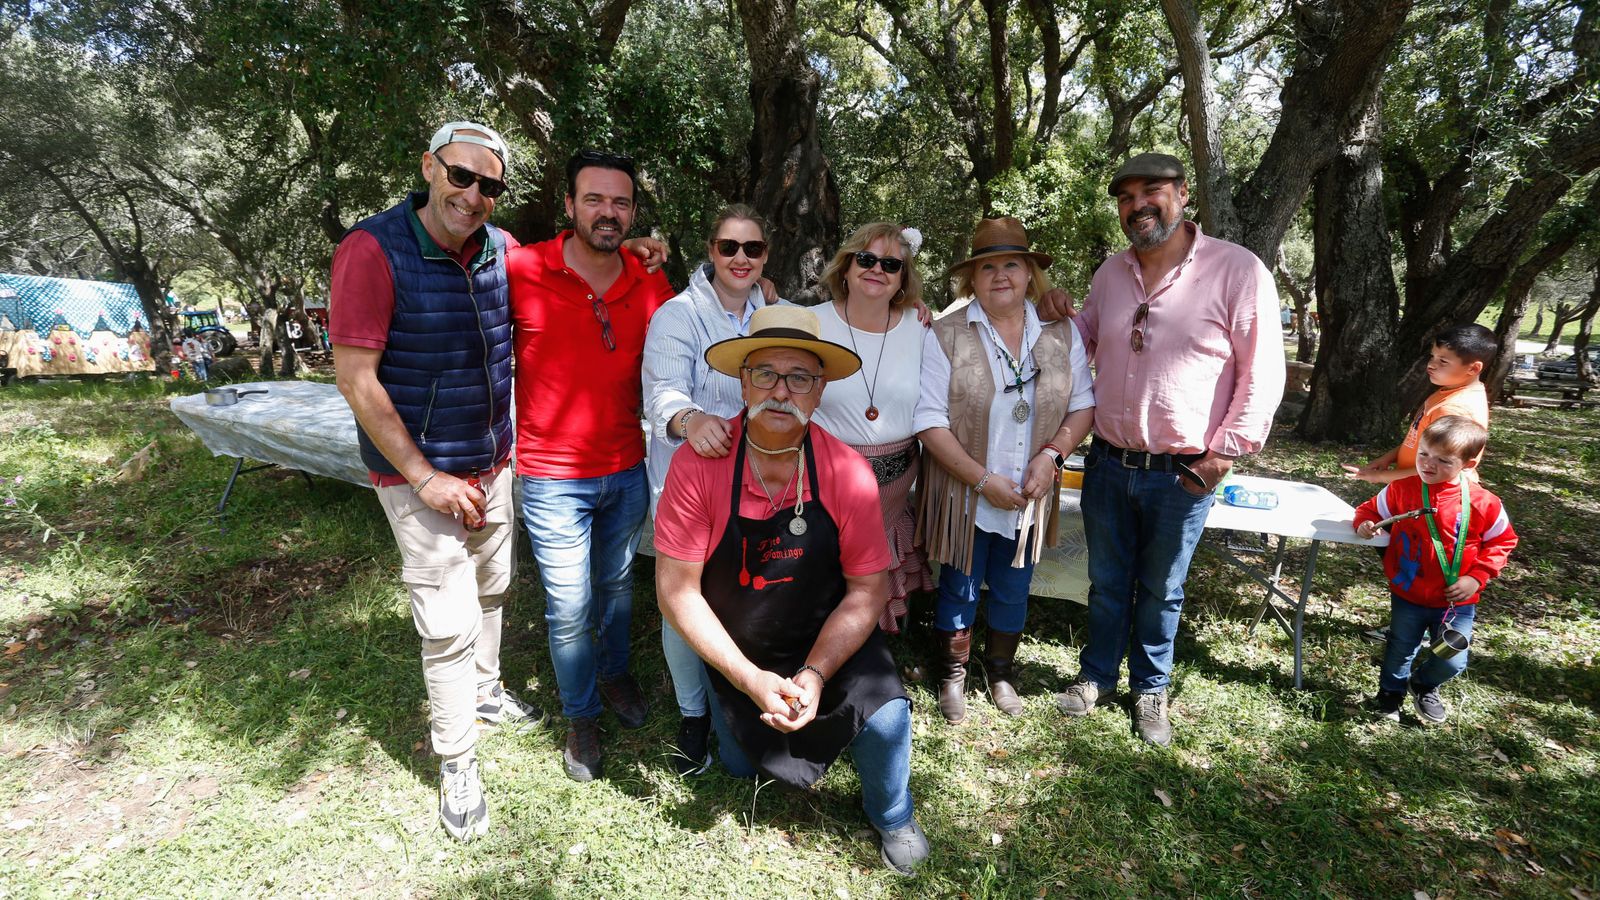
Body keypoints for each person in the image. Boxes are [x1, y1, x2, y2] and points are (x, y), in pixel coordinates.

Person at [653, 305, 931, 876]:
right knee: (737, 764)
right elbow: (676, 592)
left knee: (888, 718)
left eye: (799, 377)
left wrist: (816, 672)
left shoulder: (847, 471)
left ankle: (893, 812)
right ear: (742, 379)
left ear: (819, 390)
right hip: (743, 650)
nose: (781, 391)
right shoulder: (698, 465)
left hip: (826, 639)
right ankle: (737, 723)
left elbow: (867, 593)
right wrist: (750, 679)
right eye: (766, 374)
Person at [331, 120, 542, 843]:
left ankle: (485, 693)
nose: (474, 195)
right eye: (461, 176)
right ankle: (456, 761)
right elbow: (356, 381)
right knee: (447, 623)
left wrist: (637, 252)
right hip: (417, 477)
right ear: (429, 167)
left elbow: (564, 277)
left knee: (493, 588)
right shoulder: (372, 250)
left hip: (492, 461)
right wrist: (423, 479)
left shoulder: (502, 249)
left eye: (490, 185)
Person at [1054, 152, 1285, 746]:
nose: (1138, 206)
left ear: (1182, 195)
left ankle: (1149, 688)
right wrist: (1050, 314)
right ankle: (1097, 676)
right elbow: (1084, 342)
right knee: (1106, 581)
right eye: (1126, 198)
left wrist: (1219, 458)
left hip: (1182, 470)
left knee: (1162, 589)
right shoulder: (1109, 273)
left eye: (1151, 191)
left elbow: (1262, 373)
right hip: (1107, 460)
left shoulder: (1237, 270)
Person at [506, 148, 676, 783]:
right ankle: (580, 716)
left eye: (621, 202)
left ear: (633, 212)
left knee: (616, 589)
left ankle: (615, 676)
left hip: (626, 468)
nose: (609, 212)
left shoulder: (648, 278)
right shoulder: (519, 270)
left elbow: (693, 337)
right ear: (570, 206)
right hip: (551, 477)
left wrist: (761, 291)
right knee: (569, 605)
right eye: (596, 200)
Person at [914, 216, 1096, 724]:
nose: (1000, 275)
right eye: (986, 266)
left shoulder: (1061, 334)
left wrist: (1052, 456)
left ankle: (1000, 672)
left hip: (1030, 489)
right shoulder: (946, 334)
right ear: (970, 279)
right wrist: (981, 479)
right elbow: (928, 420)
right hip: (967, 491)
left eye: (1010, 264)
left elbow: (1083, 405)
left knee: (1015, 586)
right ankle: (953, 676)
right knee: (961, 583)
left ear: (1029, 273)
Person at [642, 203, 782, 776]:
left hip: (754, 480)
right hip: (688, 482)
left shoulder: (773, 312)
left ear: (766, 256)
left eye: (752, 248)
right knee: (683, 601)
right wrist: (692, 421)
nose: (741, 258)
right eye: (729, 247)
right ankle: (693, 713)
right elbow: (662, 395)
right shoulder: (677, 316)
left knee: (743, 590)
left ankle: (742, 696)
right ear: (710, 251)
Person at [810, 222, 936, 634]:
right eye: (865, 259)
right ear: (845, 267)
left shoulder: (920, 329)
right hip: (826, 482)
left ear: (902, 278)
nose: (876, 269)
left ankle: (875, 646)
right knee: (828, 570)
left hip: (895, 487)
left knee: (876, 567)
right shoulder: (808, 323)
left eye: (890, 264)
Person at [1352, 417, 1517, 724]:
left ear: (1467, 465)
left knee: (1452, 659)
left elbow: (1503, 541)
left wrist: (1476, 577)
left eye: (1443, 460)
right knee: (1401, 646)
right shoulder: (1401, 489)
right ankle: (1389, 694)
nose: (1428, 464)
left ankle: (1424, 683)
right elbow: (1370, 510)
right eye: (1424, 454)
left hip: (1456, 602)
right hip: (1409, 591)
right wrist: (1364, 524)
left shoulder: (1484, 503)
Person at [1342, 324, 1496, 485]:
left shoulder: (1454, 409)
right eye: (1432, 356)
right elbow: (1418, 440)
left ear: (1473, 368)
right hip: (1415, 485)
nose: (1431, 364)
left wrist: (1378, 477)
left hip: (1428, 494)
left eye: (1443, 361)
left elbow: (1438, 467)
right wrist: (1387, 459)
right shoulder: (1451, 391)